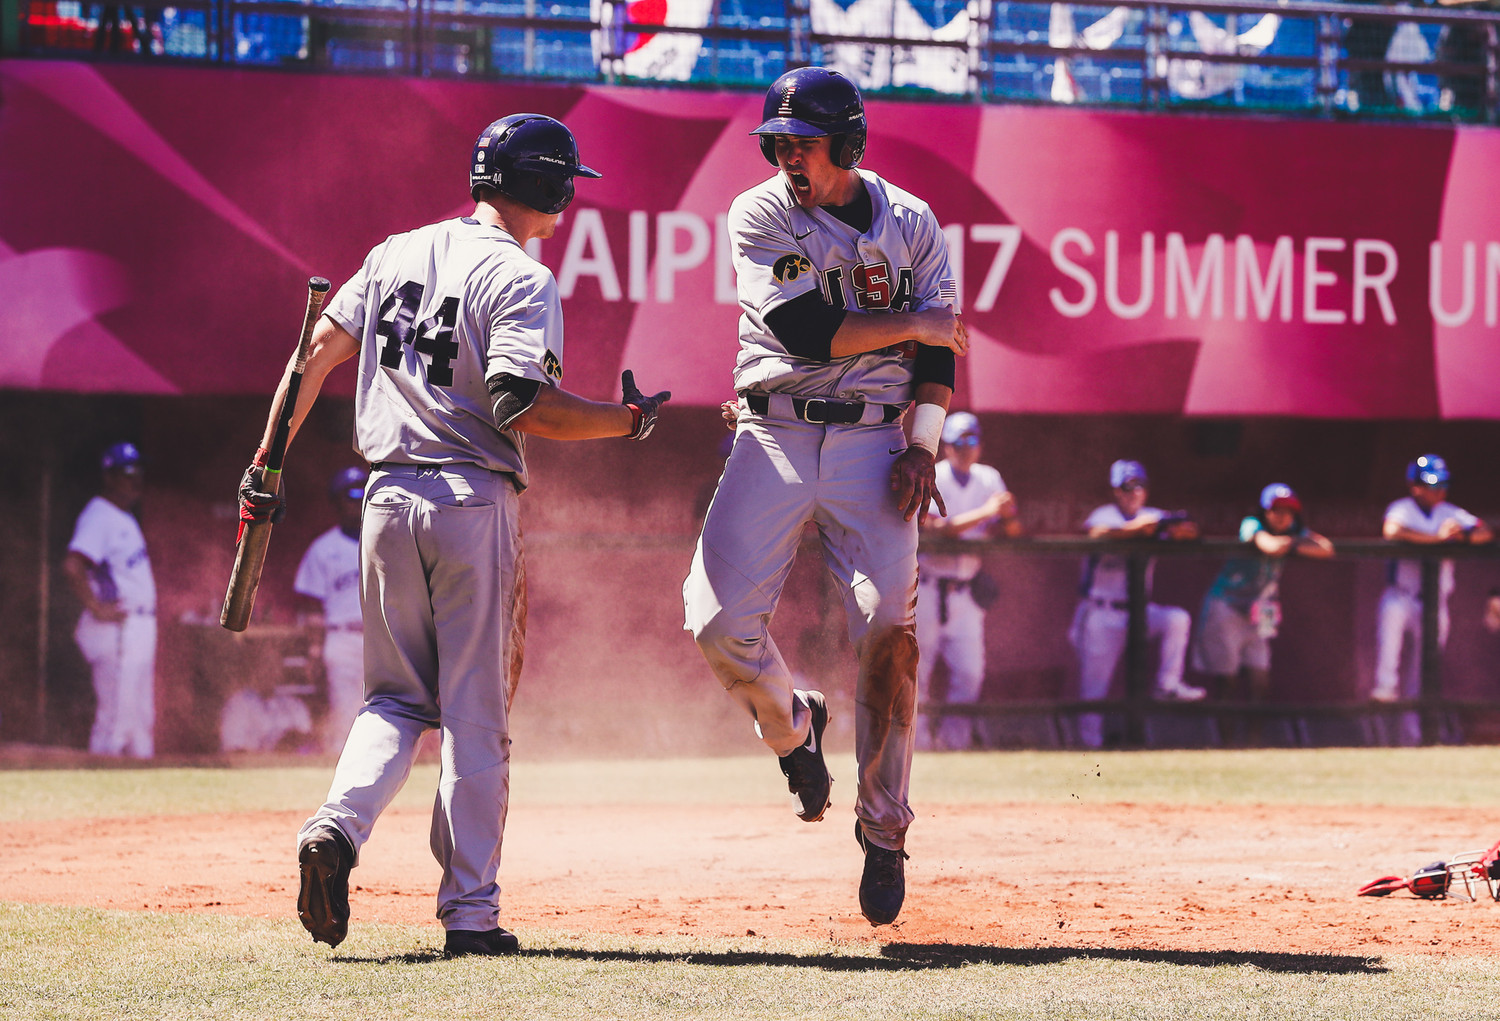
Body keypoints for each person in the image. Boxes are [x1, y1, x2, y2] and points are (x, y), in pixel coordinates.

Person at [237, 113, 670, 958]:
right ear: (546, 186)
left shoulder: (395, 248)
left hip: (384, 497)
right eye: (567, 186)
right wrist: (624, 423)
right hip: (471, 498)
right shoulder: (520, 276)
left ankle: (336, 827)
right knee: (476, 714)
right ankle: (471, 915)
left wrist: (267, 462)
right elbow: (520, 403)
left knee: (393, 700)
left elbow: (312, 355)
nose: (571, 202)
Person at [682, 66, 968, 927]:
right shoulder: (761, 209)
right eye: (776, 141)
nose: (784, 156)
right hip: (774, 428)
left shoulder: (912, 220)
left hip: (879, 438)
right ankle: (792, 727)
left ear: (848, 144)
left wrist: (924, 445)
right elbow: (804, 330)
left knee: (890, 629)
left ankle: (885, 833)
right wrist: (914, 325)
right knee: (713, 619)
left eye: (802, 142)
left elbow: (942, 354)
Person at [1070, 459, 1205, 749]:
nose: (1133, 493)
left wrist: (1170, 531)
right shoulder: (1104, 515)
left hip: (1139, 613)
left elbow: (1189, 529)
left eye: (1138, 487)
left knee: (1176, 619)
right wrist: (1138, 529)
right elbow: (1097, 534)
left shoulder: (1152, 515)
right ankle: (1087, 751)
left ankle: (1167, 684)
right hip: (1101, 612)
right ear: (1116, 491)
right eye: (1127, 488)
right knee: (1093, 691)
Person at [1192, 484, 1334, 744]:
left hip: (1262, 609)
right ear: (1264, 511)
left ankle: (1253, 744)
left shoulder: (1293, 532)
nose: (1282, 516)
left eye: (1288, 511)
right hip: (1227, 605)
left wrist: (1292, 542)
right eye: (1275, 510)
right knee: (1228, 680)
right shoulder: (1251, 524)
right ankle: (1226, 747)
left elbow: (1326, 548)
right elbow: (1269, 546)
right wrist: (1292, 544)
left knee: (1261, 680)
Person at [915, 411, 1021, 751]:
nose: (966, 449)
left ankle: (954, 742)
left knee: (970, 674)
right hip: (929, 588)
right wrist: (988, 512)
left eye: (972, 442)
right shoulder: (935, 475)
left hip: (965, 592)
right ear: (946, 446)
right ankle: (917, 744)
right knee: (918, 673)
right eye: (959, 443)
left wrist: (1006, 515)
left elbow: (1013, 531)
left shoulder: (989, 478)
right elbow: (936, 528)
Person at [1371, 456, 1492, 742]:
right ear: (1415, 486)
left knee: (1424, 678)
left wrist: (1461, 536)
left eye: (1441, 484)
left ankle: (1412, 740)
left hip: (1434, 601)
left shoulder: (1449, 513)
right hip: (1401, 597)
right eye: (1430, 484)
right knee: (1386, 676)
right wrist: (1438, 540)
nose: (1437, 491)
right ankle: (1378, 730)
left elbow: (1485, 532)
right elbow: (1392, 530)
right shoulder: (1402, 509)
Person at [63, 441, 157, 758]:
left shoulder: (123, 517)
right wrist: (95, 607)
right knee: (116, 720)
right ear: (110, 477)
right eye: (127, 472)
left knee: (140, 719)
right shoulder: (100, 514)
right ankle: (100, 800)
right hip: (120, 629)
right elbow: (73, 565)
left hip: (138, 627)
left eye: (138, 472)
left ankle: (143, 803)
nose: (135, 479)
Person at [293, 466, 367, 754]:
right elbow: (312, 608)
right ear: (337, 502)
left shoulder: (387, 542)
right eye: (349, 498)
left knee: (387, 711)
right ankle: (343, 781)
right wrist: (313, 650)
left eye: (361, 497)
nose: (356, 504)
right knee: (344, 714)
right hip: (341, 638)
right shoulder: (323, 548)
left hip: (382, 638)